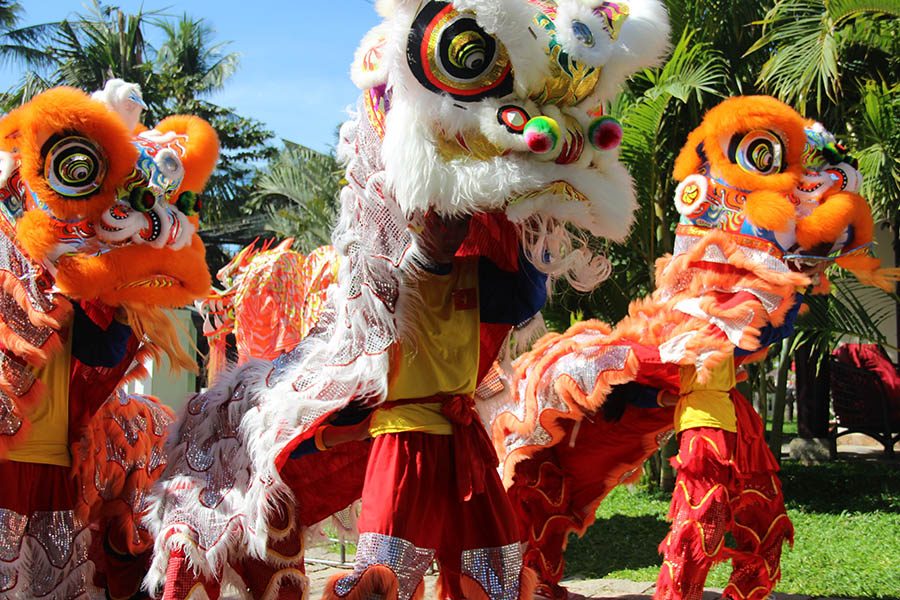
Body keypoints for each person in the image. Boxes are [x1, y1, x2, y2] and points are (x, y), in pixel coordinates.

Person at [317, 211, 546, 600]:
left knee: (497, 566)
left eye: (458, 221)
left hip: (465, 446)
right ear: (414, 217)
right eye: (437, 219)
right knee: (382, 577)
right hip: (403, 442)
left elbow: (525, 300)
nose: (447, 231)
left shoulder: (475, 274)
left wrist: (537, 222)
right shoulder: (383, 280)